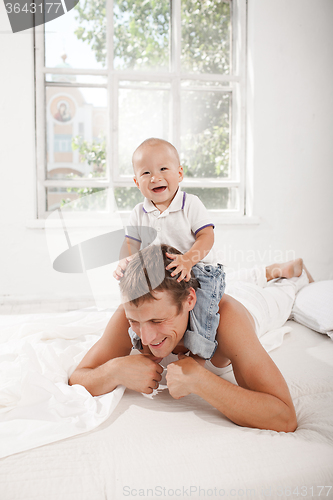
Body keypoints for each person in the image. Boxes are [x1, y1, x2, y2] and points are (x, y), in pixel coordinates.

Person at [69, 244, 314, 432]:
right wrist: (114, 370)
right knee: (231, 280)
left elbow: (284, 418)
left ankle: (283, 274)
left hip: (254, 303)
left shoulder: (229, 320)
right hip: (199, 287)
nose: (145, 337)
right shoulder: (135, 311)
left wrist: (202, 382)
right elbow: (79, 377)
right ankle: (264, 271)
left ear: (190, 300)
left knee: (283, 291)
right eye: (136, 322)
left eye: (157, 321)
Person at [113, 138, 225, 361]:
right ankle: (144, 347)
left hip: (198, 268)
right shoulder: (139, 212)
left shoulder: (190, 203)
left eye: (163, 169)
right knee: (137, 303)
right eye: (146, 173)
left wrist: (188, 260)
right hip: (161, 274)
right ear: (137, 182)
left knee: (201, 308)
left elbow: (206, 236)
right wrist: (124, 261)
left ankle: (198, 355)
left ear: (180, 173)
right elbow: (131, 243)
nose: (155, 177)